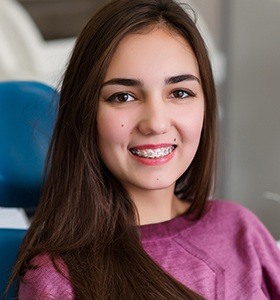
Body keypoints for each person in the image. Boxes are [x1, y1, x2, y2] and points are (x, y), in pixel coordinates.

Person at [7, 0, 280, 299]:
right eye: (123, 96)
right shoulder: (57, 278)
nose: (156, 123)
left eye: (179, 92)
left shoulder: (241, 230)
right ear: (86, 115)